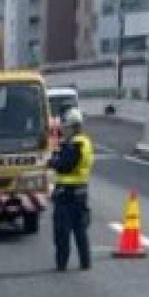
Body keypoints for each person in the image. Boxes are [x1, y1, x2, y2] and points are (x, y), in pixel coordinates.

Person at [48, 107, 94, 271]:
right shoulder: (84, 142)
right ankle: (85, 262)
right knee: (80, 230)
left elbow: (65, 166)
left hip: (67, 193)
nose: (63, 130)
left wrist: (53, 162)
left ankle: (62, 264)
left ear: (73, 127)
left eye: (66, 127)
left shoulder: (75, 144)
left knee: (62, 232)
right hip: (80, 191)